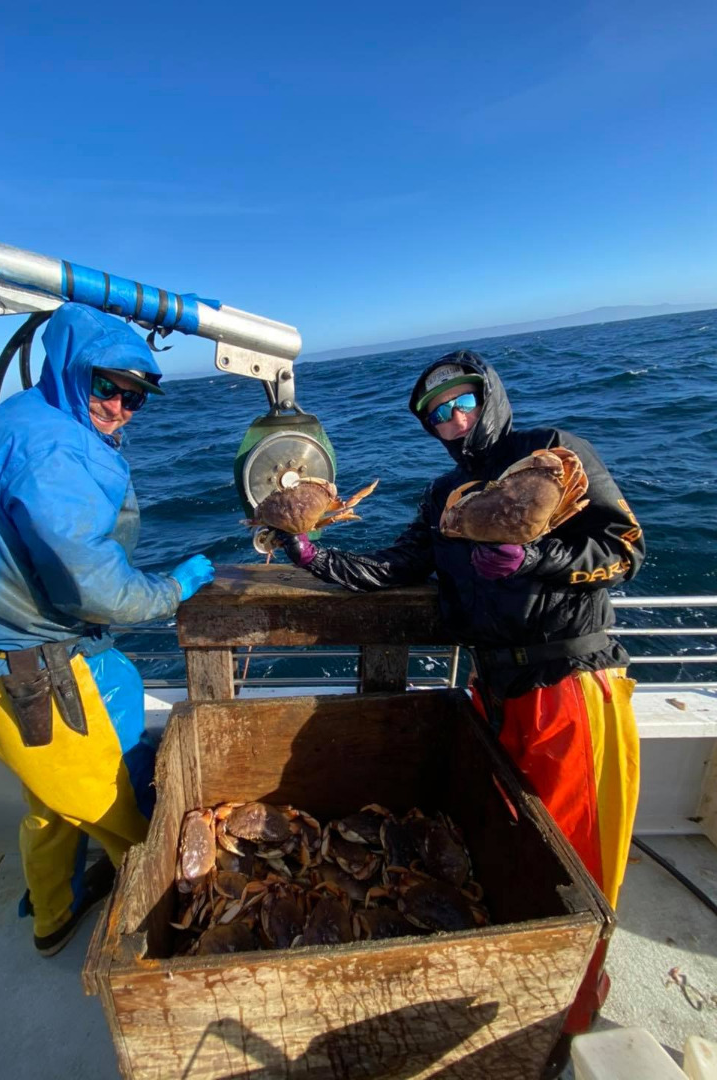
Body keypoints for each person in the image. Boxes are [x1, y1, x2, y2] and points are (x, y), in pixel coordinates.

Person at [275, 349, 643, 1077]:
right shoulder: (444, 494)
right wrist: (313, 556)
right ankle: (515, 982)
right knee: (506, 840)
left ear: (489, 394)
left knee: (578, 862)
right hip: (492, 690)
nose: (451, 420)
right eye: (435, 413)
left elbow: (624, 549)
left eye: (461, 401)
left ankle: (565, 1018)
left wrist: (534, 561)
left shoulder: (556, 450)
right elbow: (396, 570)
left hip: (569, 684)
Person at [0, 303, 215, 956]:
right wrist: (173, 588)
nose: (118, 406)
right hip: (34, 679)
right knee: (133, 826)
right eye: (105, 385)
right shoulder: (54, 449)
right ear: (69, 370)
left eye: (134, 396)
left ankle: (53, 913)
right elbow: (94, 586)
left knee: (52, 807)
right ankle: (176, 948)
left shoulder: (15, 421)